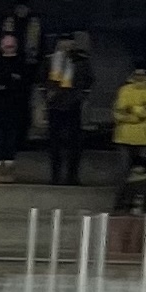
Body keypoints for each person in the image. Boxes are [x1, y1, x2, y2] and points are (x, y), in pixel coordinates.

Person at [43, 33, 92, 187]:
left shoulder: (81, 60)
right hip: (54, 105)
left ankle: (72, 176)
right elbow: (41, 79)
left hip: (73, 105)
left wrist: (79, 96)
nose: (65, 45)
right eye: (62, 42)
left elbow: (89, 80)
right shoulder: (50, 60)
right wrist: (47, 94)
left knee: (74, 143)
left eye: (69, 42)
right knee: (55, 143)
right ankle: (55, 176)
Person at [0, 33, 30, 184]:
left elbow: (22, 83)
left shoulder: (21, 62)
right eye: (6, 46)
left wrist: (7, 82)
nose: (9, 49)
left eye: (11, 46)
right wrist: (9, 80)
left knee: (11, 139)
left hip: (15, 108)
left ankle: (9, 171)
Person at [111, 66, 146, 180]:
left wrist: (132, 109)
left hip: (143, 137)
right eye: (137, 74)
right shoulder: (124, 90)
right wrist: (139, 112)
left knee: (140, 172)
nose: (139, 77)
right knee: (124, 169)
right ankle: (122, 191)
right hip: (124, 136)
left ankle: (138, 191)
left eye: (142, 74)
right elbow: (119, 110)